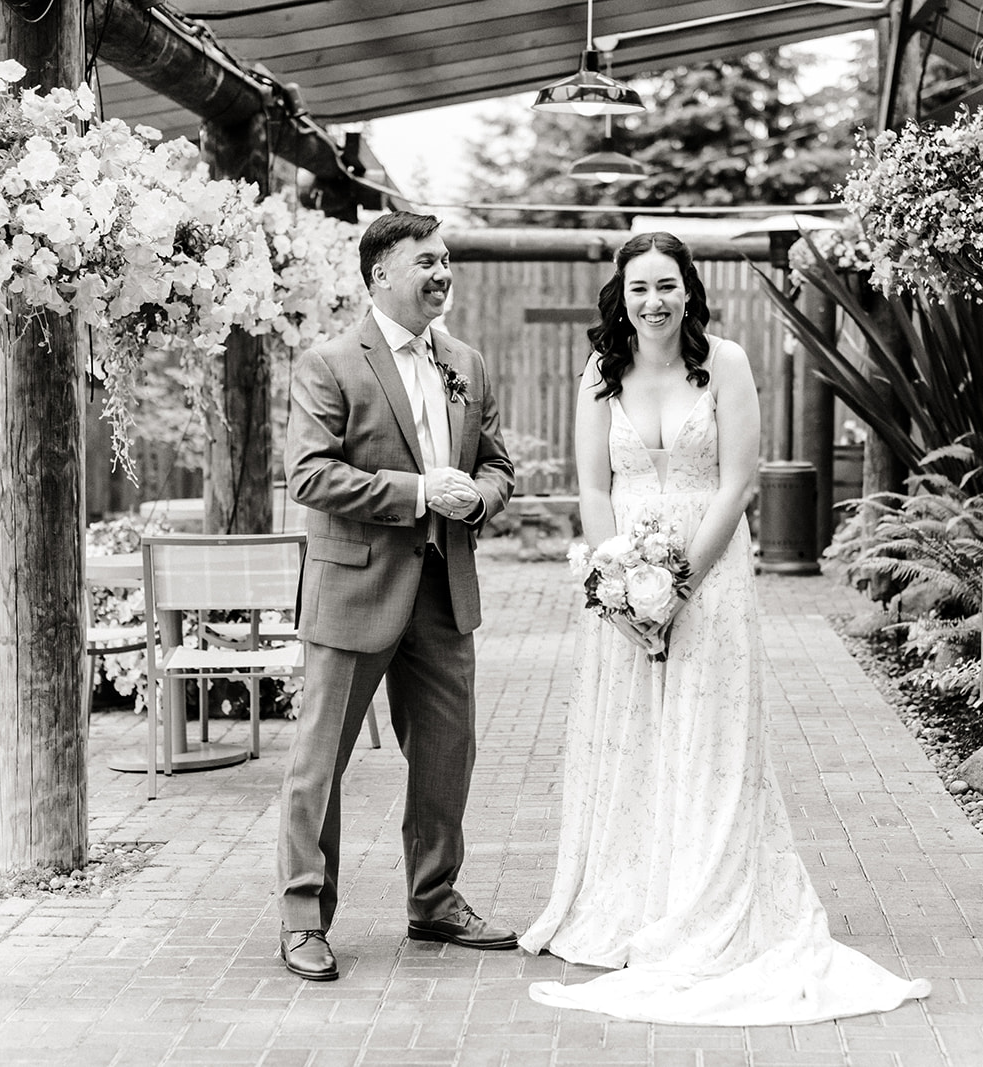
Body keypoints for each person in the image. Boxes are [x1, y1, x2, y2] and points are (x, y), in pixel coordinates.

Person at [518, 232, 932, 1024]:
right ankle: (631, 897)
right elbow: (593, 489)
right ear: (621, 297)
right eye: (639, 288)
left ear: (689, 290)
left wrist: (676, 587)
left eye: (666, 285)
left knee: (707, 733)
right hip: (623, 576)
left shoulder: (728, 363)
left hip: (710, 574)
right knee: (633, 734)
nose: (653, 301)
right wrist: (620, 587)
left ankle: (704, 894)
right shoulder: (600, 372)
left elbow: (739, 482)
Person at [279, 211, 518, 981]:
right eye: (427, 261)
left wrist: (479, 497)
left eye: (446, 260)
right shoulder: (328, 363)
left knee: (449, 751)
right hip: (355, 588)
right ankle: (304, 916)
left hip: (444, 589)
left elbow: (497, 464)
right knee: (321, 762)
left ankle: (435, 899)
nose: (442, 272)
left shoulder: (466, 362)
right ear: (381, 274)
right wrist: (418, 492)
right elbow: (309, 474)